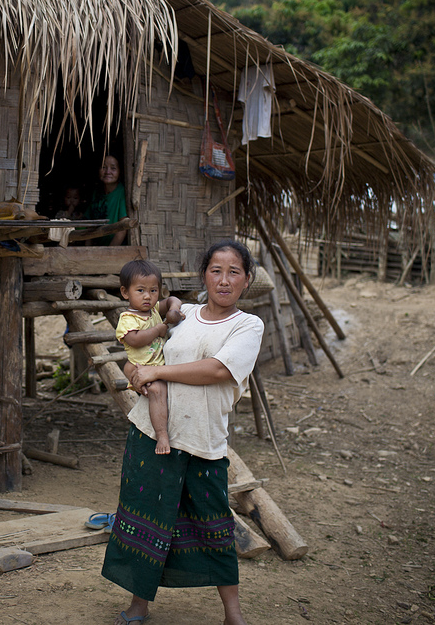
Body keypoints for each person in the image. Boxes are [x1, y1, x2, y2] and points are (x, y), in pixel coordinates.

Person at [101, 240, 265, 625]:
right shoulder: (181, 313)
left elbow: (218, 371)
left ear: (247, 279)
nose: (223, 280)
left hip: (203, 440)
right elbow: (138, 357)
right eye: (215, 271)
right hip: (151, 433)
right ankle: (138, 606)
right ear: (203, 275)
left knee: (214, 523)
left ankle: (233, 615)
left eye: (234, 272)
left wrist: (157, 373)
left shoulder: (247, 324)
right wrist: (135, 374)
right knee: (148, 516)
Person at [116, 260, 183, 455]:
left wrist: (174, 309)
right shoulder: (127, 319)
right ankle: (162, 435)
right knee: (157, 393)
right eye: (140, 291)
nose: (148, 296)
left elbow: (172, 300)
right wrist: (157, 329)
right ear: (125, 292)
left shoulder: (153, 310)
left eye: (153, 291)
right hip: (143, 368)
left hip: (159, 365)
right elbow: (135, 340)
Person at [86, 155, 128, 246]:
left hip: (115, 248)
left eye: (113, 168)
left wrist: (108, 252)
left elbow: (123, 228)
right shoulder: (97, 192)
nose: (107, 172)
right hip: (97, 247)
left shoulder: (122, 193)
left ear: (120, 171)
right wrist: (88, 249)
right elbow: (89, 225)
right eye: (103, 167)